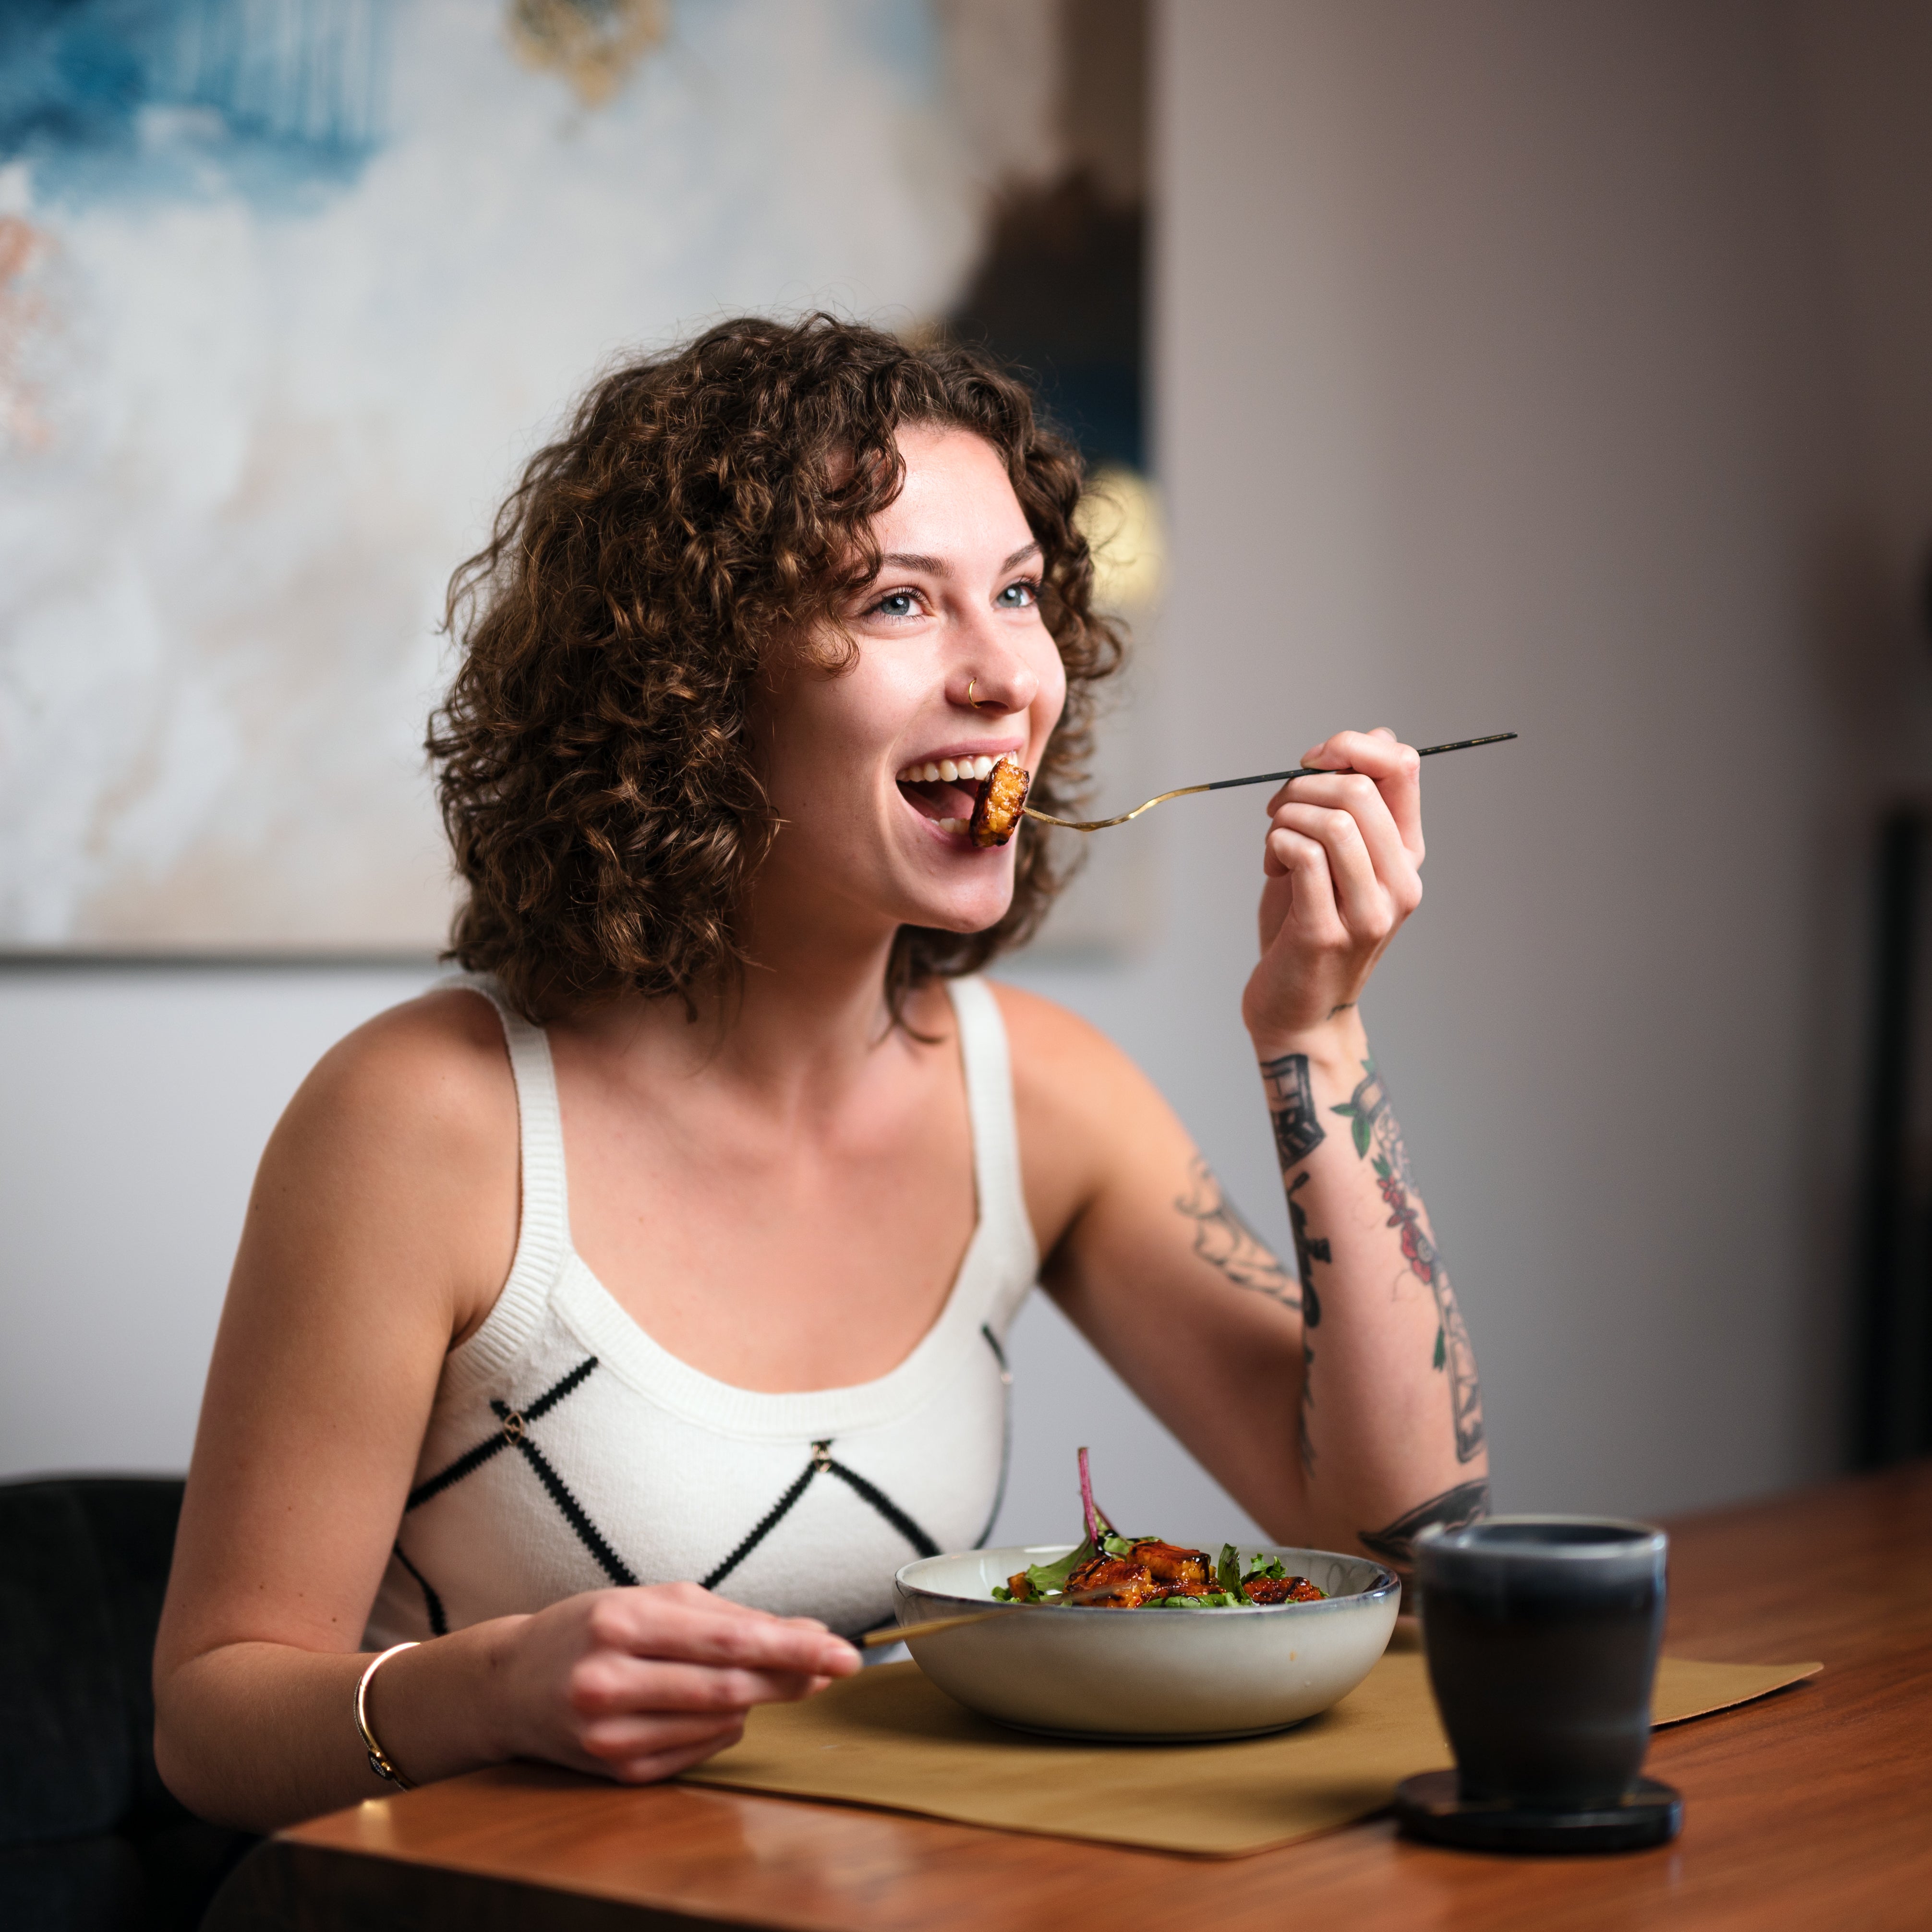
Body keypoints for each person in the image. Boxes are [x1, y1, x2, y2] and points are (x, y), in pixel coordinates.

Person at [154, 315, 1489, 1833]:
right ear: (695, 678)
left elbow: (1401, 1543)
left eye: (1022, 595)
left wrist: (1314, 1033)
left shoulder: (1040, 1097)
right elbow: (211, 1721)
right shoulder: (425, 1122)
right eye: (902, 599)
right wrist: (500, 1688)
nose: (1007, 677)